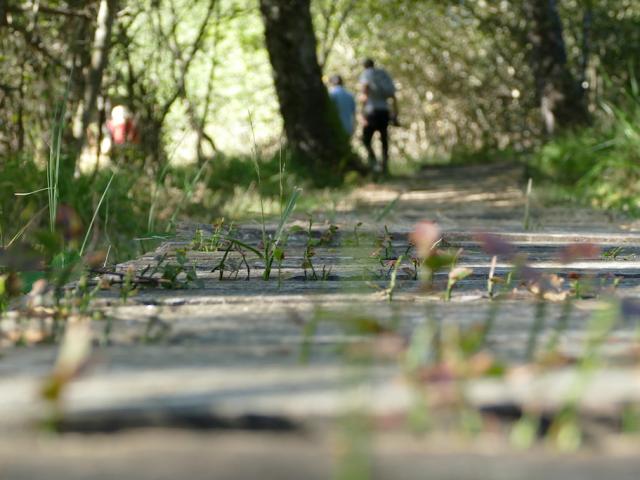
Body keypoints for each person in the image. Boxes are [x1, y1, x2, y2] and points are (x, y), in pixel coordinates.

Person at [358, 58, 398, 176]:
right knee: (384, 138)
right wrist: (395, 113)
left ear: (364, 66)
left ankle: (374, 163)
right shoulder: (383, 74)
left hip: (371, 112)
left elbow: (365, 92)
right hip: (384, 111)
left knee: (365, 140)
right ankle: (384, 165)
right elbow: (393, 95)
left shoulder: (366, 74)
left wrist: (361, 111)